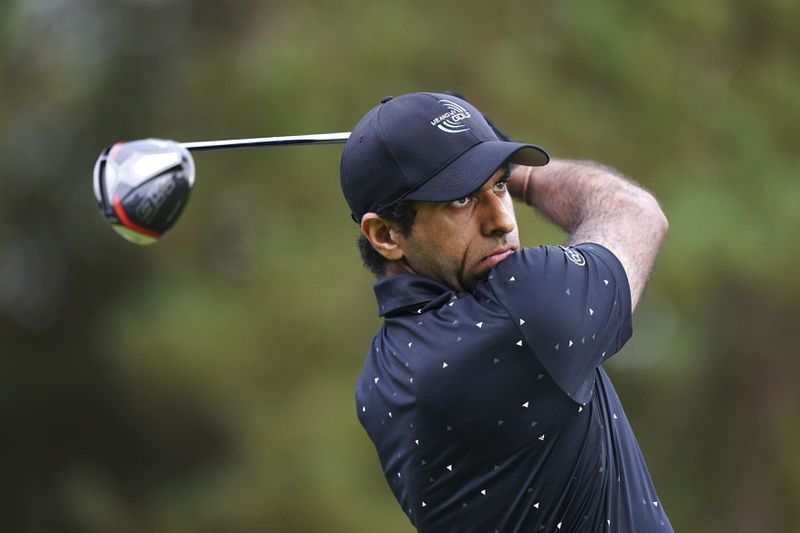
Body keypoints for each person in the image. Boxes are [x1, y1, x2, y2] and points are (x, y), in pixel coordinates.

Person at [339, 92, 672, 532]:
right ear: (385, 234)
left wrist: (477, 167)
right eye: (460, 200)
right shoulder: (521, 313)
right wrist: (526, 178)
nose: (501, 220)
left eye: (497, 185)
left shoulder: (380, 376)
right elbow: (636, 212)